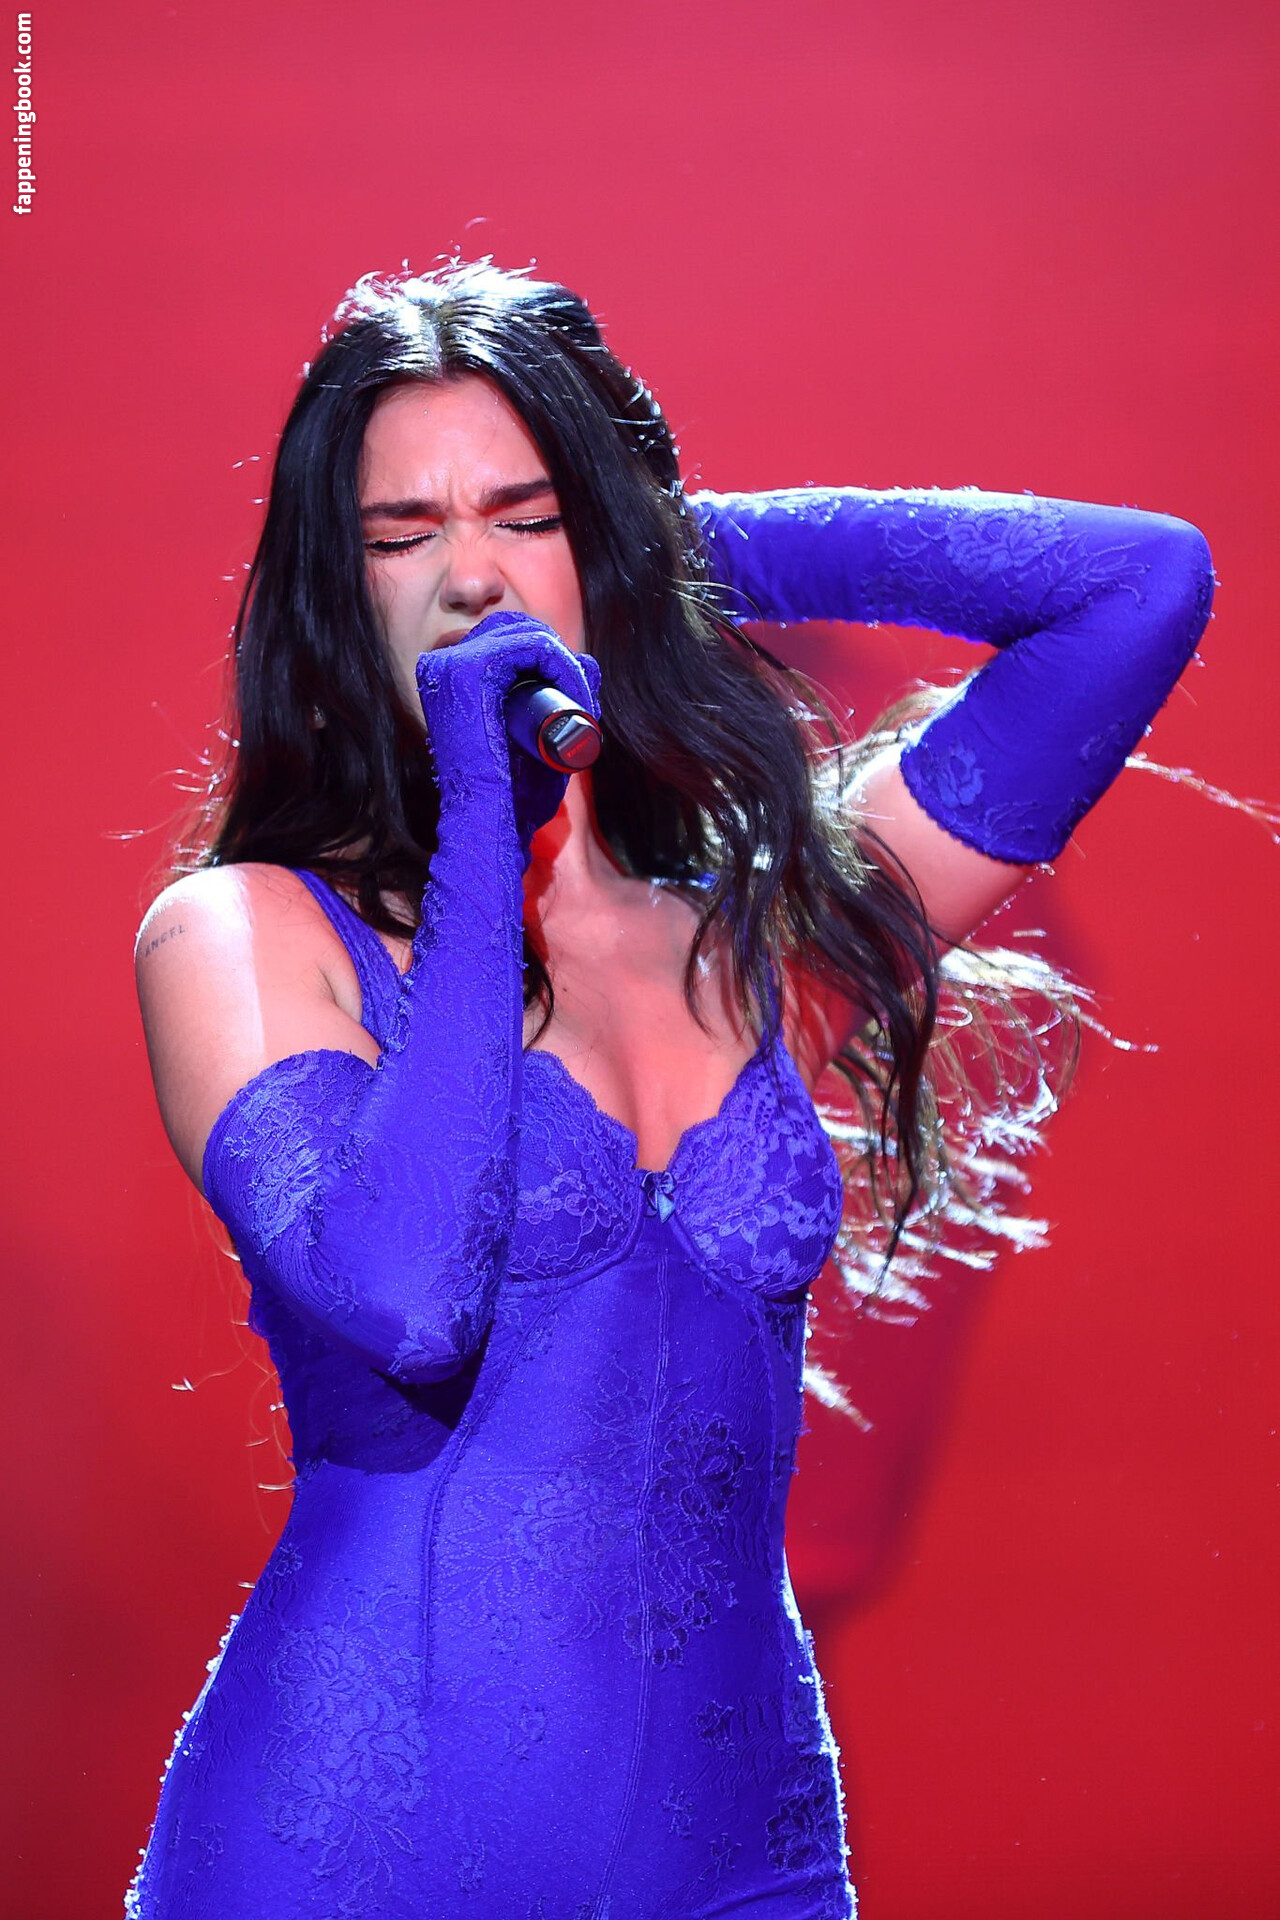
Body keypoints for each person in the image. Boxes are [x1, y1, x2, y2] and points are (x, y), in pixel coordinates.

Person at [125, 260, 1214, 1919]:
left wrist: (675, 555)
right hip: (352, 1859)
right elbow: (410, 1295)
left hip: (742, 1864)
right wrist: (484, 811)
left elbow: (1137, 589)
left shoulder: (759, 943)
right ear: (336, 598)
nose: (471, 575)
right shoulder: (244, 933)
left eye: (526, 515)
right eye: (403, 536)